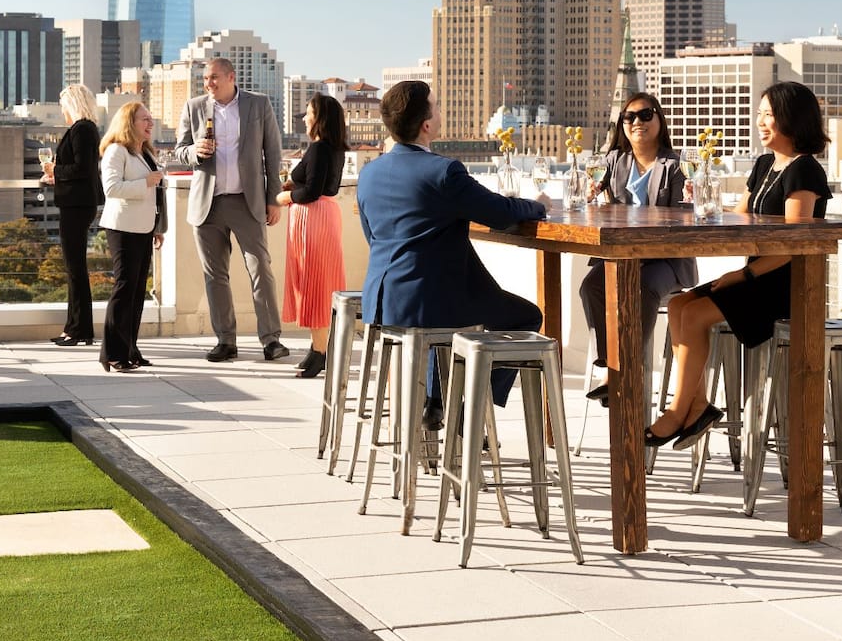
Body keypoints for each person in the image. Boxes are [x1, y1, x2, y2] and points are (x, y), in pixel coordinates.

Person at [358, 80, 548, 432]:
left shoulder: (370, 172)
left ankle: (438, 401)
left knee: (444, 315)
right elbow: (501, 213)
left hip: (383, 302)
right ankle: (467, 410)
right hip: (431, 304)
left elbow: (372, 237)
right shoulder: (443, 172)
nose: (441, 111)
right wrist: (538, 205)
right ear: (426, 124)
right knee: (525, 318)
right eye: (437, 106)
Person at [653, 81, 834, 449]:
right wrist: (702, 199)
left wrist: (743, 274)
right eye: (759, 114)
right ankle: (698, 405)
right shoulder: (766, 164)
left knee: (696, 313)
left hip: (784, 287)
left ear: (792, 118)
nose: (760, 122)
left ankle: (677, 411)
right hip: (754, 278)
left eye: (768, 114)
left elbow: (794, 245)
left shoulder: (805, 170)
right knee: (678, 304)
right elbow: (740, 216)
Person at [579, 92, 699, 406]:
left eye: (645, 115)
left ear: (659, 119)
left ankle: (627, 368)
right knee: (591, 286)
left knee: (642, 287)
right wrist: (590, 195)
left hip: (665, 259)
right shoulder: (613, 161)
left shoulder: (676, 165)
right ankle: (612, 366)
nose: (637, 122)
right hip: (624, 257)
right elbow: (586, 202)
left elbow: (682, 219)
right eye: (629, 117)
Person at [173, 57, 288, 363]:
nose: (208, 83)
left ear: (231, 77)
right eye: (205, 79)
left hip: (246, 202)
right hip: (207, 205)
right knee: (215, 275)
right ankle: (225, 341)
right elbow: (179, 150)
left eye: (214, 77)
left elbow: (272, 154)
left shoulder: (258, 104)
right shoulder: (194, 107)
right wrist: (195, 151)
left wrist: (273, 199)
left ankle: (271, 340)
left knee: (260, 268)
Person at [277, 93, 348, 379]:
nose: (305, 118)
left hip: (314, 220)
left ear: (320, 118)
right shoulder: (334, 149)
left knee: (314, 284)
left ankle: (321, 353)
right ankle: (316, 349)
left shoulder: (319, 149)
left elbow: (312, 191)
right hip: (323, 218)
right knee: (318, 282)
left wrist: (286, 197)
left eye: (308, 113)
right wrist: (296, 186)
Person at [98, 102, 167, 373]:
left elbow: (155, 193)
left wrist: (157, 227)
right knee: (124, 289)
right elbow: (111, 188)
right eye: (144, 119)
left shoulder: (145, 152)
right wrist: (145, 183)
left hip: (144, 228)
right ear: (129, 122)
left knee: (137, 292)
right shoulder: (116, 151)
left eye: (150, 119)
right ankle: (112, 354)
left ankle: (130, 350)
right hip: (123, 228)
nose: (150, 124)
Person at [43, 84, 103, 347]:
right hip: (78, 203)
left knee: (75, 268)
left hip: (77, 206)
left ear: (73, 104)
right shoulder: (86, 129)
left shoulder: (82, 129)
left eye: (63, 106)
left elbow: (82, 168)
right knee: (74, 267)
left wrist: (55, 170)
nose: (62, 111)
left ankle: (78, 330)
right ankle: (78, 328)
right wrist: (57, 176)